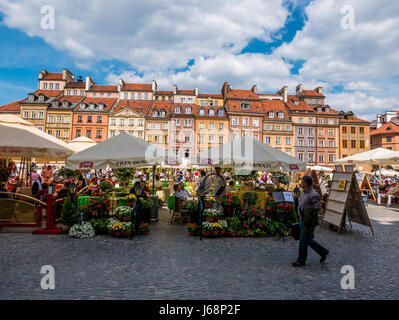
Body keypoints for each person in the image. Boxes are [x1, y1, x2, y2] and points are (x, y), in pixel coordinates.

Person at [292, 175, 329, 267]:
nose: (301, 183)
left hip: (308, 221)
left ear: (307, 183)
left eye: (303, 182)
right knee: (307, 240)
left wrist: (307, 209)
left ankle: (301, 260)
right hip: (302, 219)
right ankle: (323, 251)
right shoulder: (303, 192)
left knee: (303, 241)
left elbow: (318, 207)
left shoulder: (314, 194)